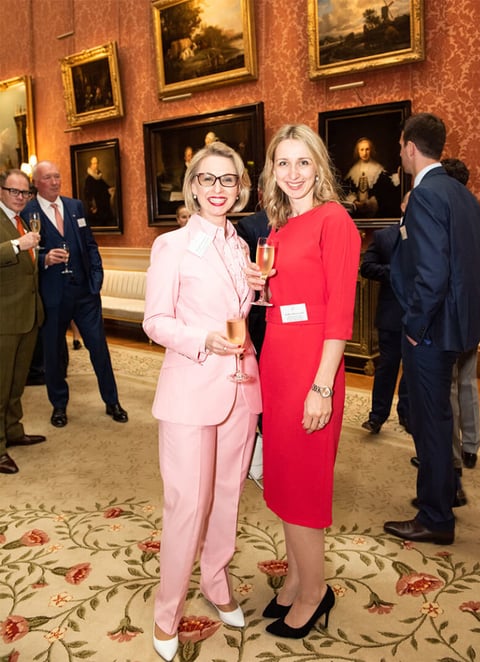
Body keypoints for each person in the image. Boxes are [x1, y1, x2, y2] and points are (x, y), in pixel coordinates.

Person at [143, 141, 262, 661]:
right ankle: (167, 612)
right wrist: (201, 339)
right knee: (187, 505)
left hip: (242, 387)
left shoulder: (241, 245)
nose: (218, 189)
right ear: (192, 186)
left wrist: (258, 291)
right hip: (191, 389)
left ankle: (215, 582)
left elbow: (240, 311)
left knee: (228, 495)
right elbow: (155, 321)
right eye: (208, 179)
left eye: (228, 180)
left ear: (240, 189)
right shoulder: (171, 246)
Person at [246, 124, 360, 639]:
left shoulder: (333, 220)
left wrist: (323, 386)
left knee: (304, 483)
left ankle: (316, 591)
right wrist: (260, 288)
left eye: (303, 163)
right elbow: (284, 302)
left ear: (319, 167)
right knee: (283, 478)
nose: (293, 174)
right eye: (283, 164)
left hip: (312, 365)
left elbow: (338, 314)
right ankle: (296, 578)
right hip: (278, 357)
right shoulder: (276, 228)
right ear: (272, 171)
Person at [384, 113, 480, 545]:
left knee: (429, 421)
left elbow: (431, 272)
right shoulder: (463, 195)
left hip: (430, 329)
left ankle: (435, 517)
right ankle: (446, 493)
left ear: (409, 146)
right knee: (440, 417)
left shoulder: (425, 194)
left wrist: (413, 325)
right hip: (460, 326)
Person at [22, 161, 128, 428]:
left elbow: (90, 244)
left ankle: (112, 401)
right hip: (52, 295)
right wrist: (45, 258)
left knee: (99, 349)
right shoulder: (26, 212)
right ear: (36, 182)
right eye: (48, 178)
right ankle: (59, 406)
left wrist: (96, 278)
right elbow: (24, 255)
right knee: (54, 354)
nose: (55, 182)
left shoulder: (75, 206)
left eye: (57, 176)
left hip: (85, 293)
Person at [441, 158, 480, 474]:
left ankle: (452, 456)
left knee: (448, 384)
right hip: (476, 309)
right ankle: (471, 446)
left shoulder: (445, 216)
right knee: (467, 382)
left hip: (449, 314)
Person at [0, 169, 45, 474]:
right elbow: (12, 252)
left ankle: (14, 432)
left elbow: (26, 267)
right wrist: (18, 245)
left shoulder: (23, 220)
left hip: (28, 315)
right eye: (15, 192)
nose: (21, 198)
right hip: (4, 319)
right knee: (0, 387)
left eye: (26, 193)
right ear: (1, 191)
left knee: (17, 384)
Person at [360, 191, 411, 435]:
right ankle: (377, 416)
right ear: (402, 206)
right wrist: (397, 272)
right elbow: (367, 267)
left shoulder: (431, 234)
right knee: (387, 366)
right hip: (391, 313)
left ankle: (407, 414)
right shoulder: (384, 236)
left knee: (412, 368)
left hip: (421, 315)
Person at [236, 172, 270, 358]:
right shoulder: (248, 225)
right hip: (260, 313)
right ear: (261, 193)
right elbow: (245, 271)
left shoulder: (300, 222)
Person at [343, 137, 400, 218]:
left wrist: (372, 203)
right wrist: (355, 202)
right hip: (357, 212)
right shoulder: (353, 170)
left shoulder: (378, 169)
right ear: (358, 151)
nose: (364, 153)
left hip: (375, 213)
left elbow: (386, 188)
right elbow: (347, 190)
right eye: (361, 150)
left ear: (371, 150)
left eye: (367, 149)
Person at [83, 156, 115, 226]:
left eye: (97, 163)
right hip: (96, 207)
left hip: (103, 206)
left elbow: (104, 186)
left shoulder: (99, 177)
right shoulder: (89, 179)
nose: (96, 165)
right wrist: (92, 206)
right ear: (90, 165)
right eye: (94, 163)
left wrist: (110, 189)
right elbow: (87, 195)